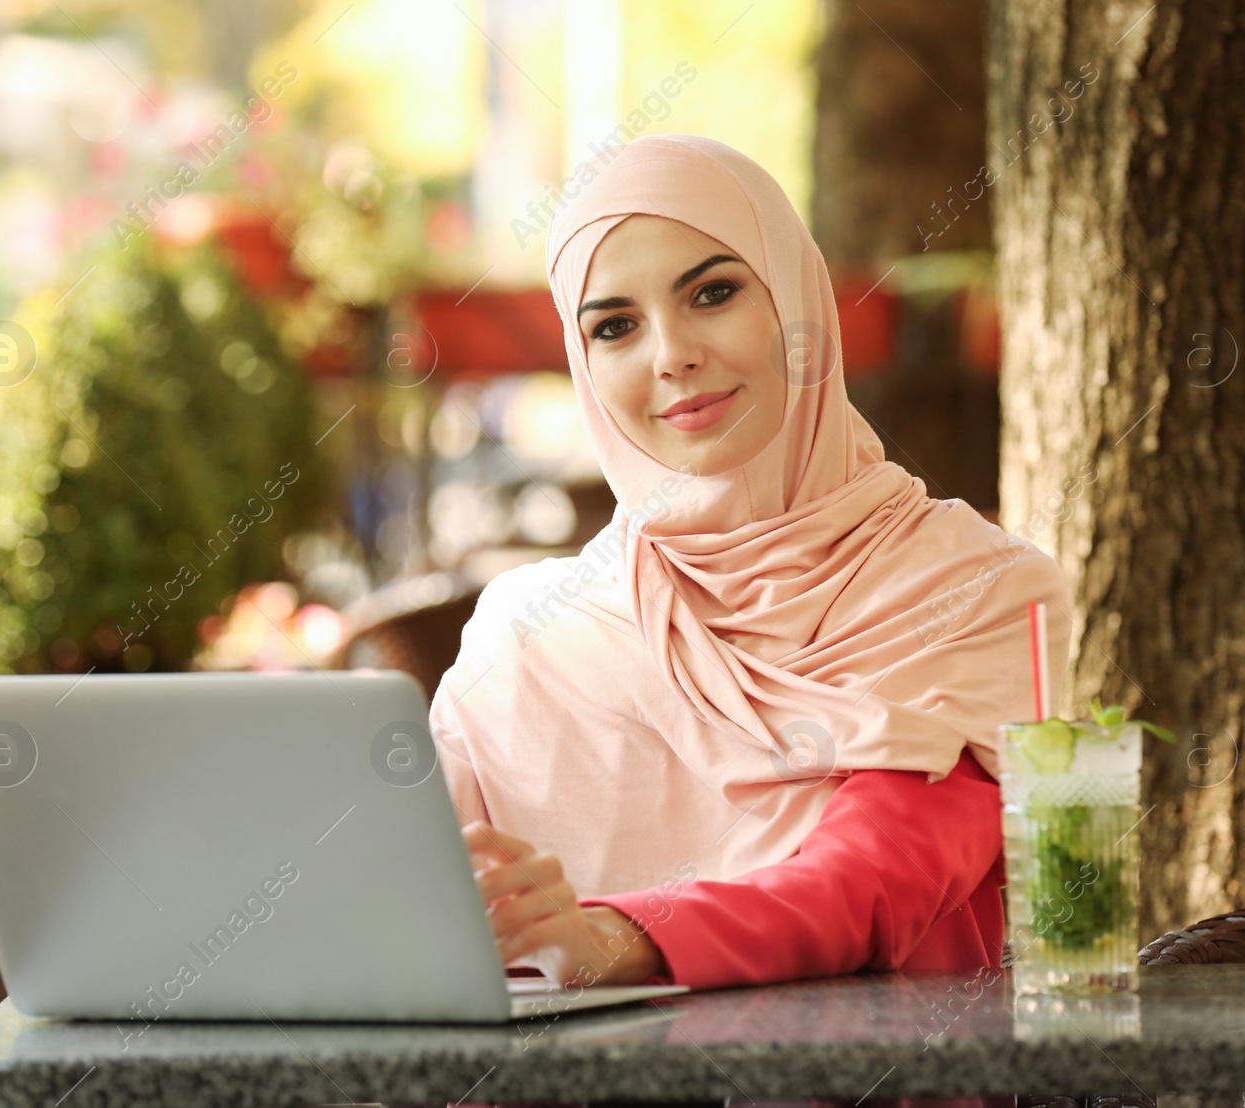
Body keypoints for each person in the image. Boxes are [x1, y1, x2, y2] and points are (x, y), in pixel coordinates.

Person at [429, 133, 1071, 1039]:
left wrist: (617, 936)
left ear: (797, 304)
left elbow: (872, 885)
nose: (672, 354)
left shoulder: (978, 590)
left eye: (714, 293)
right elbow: (417, 927)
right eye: (614, 326)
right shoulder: (524, 637)